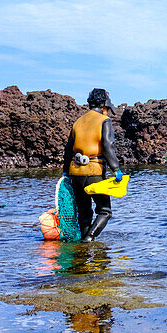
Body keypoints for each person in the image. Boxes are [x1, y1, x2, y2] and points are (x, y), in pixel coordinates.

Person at [62, 88, 123, 242]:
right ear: (103, 105)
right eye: (107, 108)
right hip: (94, 172)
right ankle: (89, 238)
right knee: (105, 211)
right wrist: (116, 169)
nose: (108, 112)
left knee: (84, 211)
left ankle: (83, 243)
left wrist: (65, 172)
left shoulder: (78, 122)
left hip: (75, 173)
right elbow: (108, 146)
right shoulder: (104, 121)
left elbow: (68, 149)